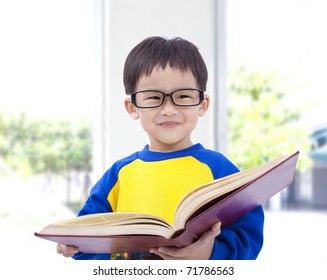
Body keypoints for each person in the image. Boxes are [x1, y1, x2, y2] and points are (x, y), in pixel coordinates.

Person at [56, 36, 264, 260]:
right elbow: (87, 235)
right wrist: (72, 243)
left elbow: (248, 235)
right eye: (154, 97)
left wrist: (209, 254)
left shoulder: (219, 169)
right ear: (132, 107)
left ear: (202, 105)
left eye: (183, 96)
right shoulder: (119, 175)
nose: (168, 110)